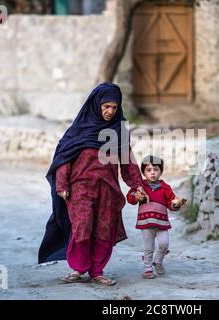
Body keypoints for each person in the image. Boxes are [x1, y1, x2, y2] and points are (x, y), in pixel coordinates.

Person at [38, 82, 147, 286]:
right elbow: (64, 156)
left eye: (114, 107)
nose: (109, 111)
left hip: (108, 188)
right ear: (96, 104)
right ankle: (78, 268)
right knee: (82, 225)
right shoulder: (80, 129)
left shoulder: (119, 131)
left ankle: (97, 270)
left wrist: (136, 185)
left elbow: (128, 161)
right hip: (80, 187)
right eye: (106, 106)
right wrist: (62, 184)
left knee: (104, 228)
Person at [126, 155, 186, 279]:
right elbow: (131, 198)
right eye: (148, 170)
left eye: (156, 169)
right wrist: (135, 196)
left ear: (161, 171)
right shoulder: (140, 186)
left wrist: (176, 204)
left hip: (162, 223)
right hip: (146, 222)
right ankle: (147, 269)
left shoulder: (166, 188)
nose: (152, 172)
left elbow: (171, 203)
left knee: (164, 244)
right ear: (143, 172)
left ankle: (158, 261)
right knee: (148, 248)